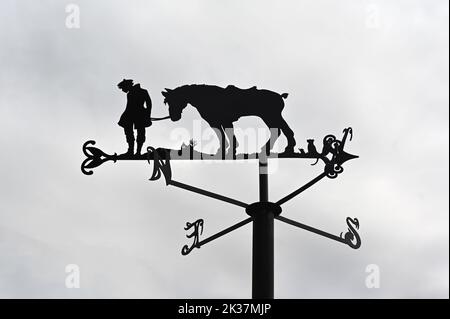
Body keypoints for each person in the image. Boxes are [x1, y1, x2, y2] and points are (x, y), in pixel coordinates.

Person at [117, 79, 152, 156]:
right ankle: (131, 151)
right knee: (129, 133)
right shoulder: (129, 94)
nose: (123, 90)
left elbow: (149, 104)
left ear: (127, 86)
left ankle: (138, 152)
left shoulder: (143, 91)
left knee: (140, 133)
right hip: (130, 115)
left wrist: (147, 115)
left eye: (123, 88)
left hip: (139, 115)